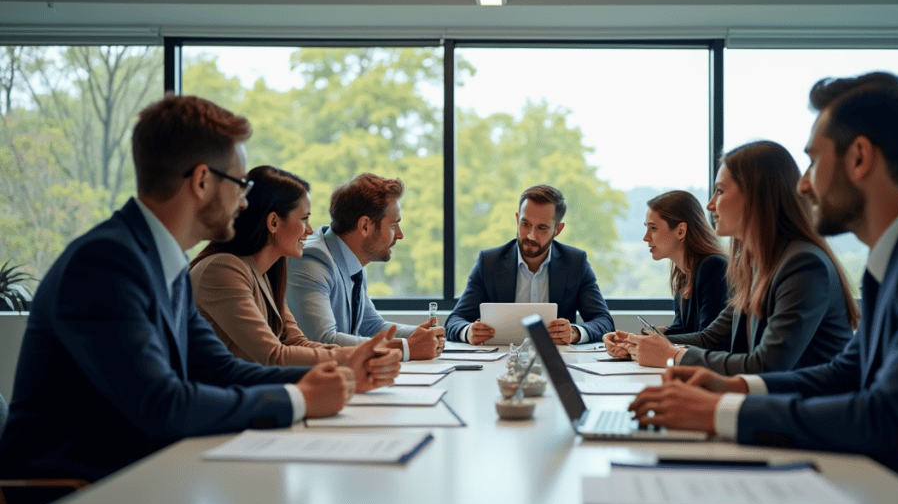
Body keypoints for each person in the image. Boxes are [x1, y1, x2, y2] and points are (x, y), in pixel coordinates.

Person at [629, 72, 898, 498]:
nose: (802, 184)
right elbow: (847, 372)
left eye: (814, 161)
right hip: (894, 487)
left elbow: (887, 417)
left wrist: (722, 412)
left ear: (859, 158)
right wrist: (734, 387)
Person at [0, 95, 401, 485]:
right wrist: (298, 399)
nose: (245, 202)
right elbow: (162, 405)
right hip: (71, 496)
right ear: (202, 181)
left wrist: (338, 373)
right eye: (240, 185)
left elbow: (219, 370)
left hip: (137, 478)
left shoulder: (163, 263)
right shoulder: (106, 262)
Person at [614, 141, 859, 374]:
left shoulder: (803, 265)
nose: (710, 205)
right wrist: (639, 344)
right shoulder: (756, 266)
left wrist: (673, 356)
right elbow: (713, 337)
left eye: (719, 191)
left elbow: (766, 366)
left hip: (806, 412)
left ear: (756, 196)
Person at [189, 166, 395, 393]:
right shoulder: (223, 270)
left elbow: (298, 343)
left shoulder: (267, 272)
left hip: (257, 394)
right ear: (274, 222)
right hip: (225, 404)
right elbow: (274, 355)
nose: (309, 230)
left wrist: (361, 355)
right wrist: (354, 356)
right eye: (304, 219)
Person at [287, 173, 444, 361]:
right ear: (365, 226)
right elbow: (321, 340)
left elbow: (372, 326)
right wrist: (405, 347)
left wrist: (420, 335)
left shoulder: (351, 260)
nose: (400, 235)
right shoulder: (311, 261)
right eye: (393, 226)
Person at [445, 185, 614, 345]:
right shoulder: (489, 262)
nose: (531, 236)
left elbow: (604, 321)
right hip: (500, 363)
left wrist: (575, 332)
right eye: (525, 224)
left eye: (542, 228)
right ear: (517, 219)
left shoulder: (575, 263)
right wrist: (468, 332)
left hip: (559, 362)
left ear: (558, 230)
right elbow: (455, 320)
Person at [602, 190, 727, 351]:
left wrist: (639, 343)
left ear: (680, 231)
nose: (646, 237)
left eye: (653, 228)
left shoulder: (714, 267)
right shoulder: (683, 274)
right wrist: (633, 342)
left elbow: (709, 339)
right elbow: (681, 330)